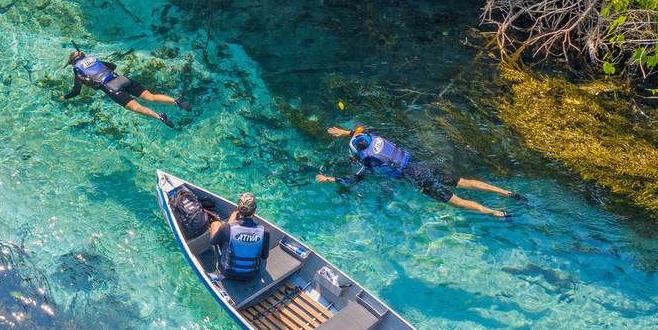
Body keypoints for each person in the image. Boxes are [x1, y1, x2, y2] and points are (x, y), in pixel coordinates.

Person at [315, 126, 519, 218]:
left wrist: (328, 178)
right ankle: (506, 192)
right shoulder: (374, 139)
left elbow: (350, 181)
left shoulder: (368, 163)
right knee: (465, 182)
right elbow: (360, 132)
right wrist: (346, 132)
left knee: (459, 202)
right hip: (425, 165)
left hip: (419, 179)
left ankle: (497, 213)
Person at [62, 49, 190, 128]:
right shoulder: (95, 60)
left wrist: (65, 97)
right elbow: (113, 66)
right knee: (150, 97)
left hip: (112, 88)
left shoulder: (78, 71)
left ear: (73, 62)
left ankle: (159, 117)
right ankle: (176, 101)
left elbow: (76, 91)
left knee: (138, 108)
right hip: (122, 79)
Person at [209, 193, 270, 280]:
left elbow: (213, 242)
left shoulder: (227, 228)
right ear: (254, 211)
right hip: (251, 275)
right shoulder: (265, 232)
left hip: (227, 273)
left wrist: (229, 224)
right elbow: (264, 256)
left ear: (238, 209)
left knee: (215, 224)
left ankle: (217, 266)